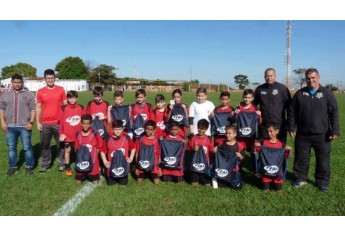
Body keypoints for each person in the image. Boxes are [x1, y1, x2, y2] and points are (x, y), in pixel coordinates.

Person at [288, 68, 339, 192]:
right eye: (308, 78)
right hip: (302, 134)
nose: (311, 80)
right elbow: (291, 111)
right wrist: (291, 126)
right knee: (301, 158)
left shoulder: (327, 94)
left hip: (322, 134)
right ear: (305, 79)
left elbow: (334, 113)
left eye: (313, 77)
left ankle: (322, 182)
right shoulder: (300, 93)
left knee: (323, 160)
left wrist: (335, 130)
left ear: (318, 77)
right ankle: (300, 178)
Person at [0, 74, 36, 175]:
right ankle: (13, 166)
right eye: (15, 82)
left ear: (22, 83)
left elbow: (33, 109)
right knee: (11, 147)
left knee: (27, 147)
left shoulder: (29, 94)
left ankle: (29, 166)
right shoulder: (5, 95)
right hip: (10, 126)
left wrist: (31, 122)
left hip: (25, 126)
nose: (17, 84)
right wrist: (2, 122)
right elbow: (1, 109)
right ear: (11, 83)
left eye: (19, 82)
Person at [36, 69, 67, 173]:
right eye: (48, 78)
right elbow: (38, 107)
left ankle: (61, 163)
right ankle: (45, 164)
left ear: (55, 78)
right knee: (45, 145)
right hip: (45, 123)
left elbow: (65, 106)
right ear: (45, 79)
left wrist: (65, 122)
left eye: (52, 78)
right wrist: (38, 122)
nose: (50, 80)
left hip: (58, 122)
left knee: (61, 144)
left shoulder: (61, 90)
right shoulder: (40, 92)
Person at [254, 68, 291, 143]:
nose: (269, 78)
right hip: (264, 124)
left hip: (279, 124)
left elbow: (290, 107)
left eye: (271, 75)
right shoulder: (260, 89)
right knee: (263, 145)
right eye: (267, 76)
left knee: (280, 146)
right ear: (264, 77)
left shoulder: (282, 88)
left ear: (275, 76)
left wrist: (290, 124)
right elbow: (253, 104)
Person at [254, 122, 291, 191]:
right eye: (267, 131)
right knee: (265, 189)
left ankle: (276, 182)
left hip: (277, 174)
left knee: (278, 190)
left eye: (271, 131)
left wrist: (289, 151)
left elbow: (288, 157)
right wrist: (256, 146)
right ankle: (266, 181)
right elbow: (255, 151)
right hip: (266, 172)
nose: (269, 133)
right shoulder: (264, 142)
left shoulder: (281, 145)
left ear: (277, 131)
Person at [100, 120, 135, 186]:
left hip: (123, 166)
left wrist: (131, 158)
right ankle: (108, 174)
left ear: (122, 129)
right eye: (116, 129)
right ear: (112, 129)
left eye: (119, 129)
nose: (118, 131)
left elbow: (133, 148)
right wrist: (105, 161)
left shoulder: (127, 138)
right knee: (111, 184)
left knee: (124, 184)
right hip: (112, 167)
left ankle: (123, 178)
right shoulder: (108, 139)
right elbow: (102, 151)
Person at [234, 89, 261, 173]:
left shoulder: (255, 108)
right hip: (241, 136)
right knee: (240, 152)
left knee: (253, 152)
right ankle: (239, 169)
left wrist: (259, 115)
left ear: (252, 98)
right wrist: (235, 113)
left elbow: (260, 122)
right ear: (243, 97)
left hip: (251, 136)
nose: (247, 99)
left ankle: (255, 169)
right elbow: (234, 119)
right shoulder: (239, 106)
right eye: (245, 97)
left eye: (249, 98)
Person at [58, 90, 85, 176]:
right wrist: (61, 133)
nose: (72, 100)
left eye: (73, 98)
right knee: (67, 150)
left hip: (78, 135)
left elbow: (84, 121)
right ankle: (67, 167)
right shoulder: (64, 108)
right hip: (67, 134)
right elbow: (61, 122)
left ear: (77, 98)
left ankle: (79, 165)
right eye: (70, 98)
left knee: (79, 150)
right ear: (67, 99)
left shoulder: (81, 107)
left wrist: (84, 132)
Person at [74, 114, 105, 184]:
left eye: (88, 124)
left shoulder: (95, 133)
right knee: (78, 182)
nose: (86, 125)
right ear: (81, 123)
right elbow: (76, 148)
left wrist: (94, 158)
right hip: (81, 161)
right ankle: (83, 174)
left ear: (91, 124)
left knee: (95, 182)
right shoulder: (78, 134)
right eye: (84, 123)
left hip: (92, 161)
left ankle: (96, 172)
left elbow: (99, 147)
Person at [215, 125, 245, 190]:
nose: (227, 135)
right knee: (220, 185)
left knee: (237, 187)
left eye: (229, 133)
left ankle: (240, 179)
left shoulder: (239, 146)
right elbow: (217, 153)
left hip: (234, 170)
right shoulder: (221, 143)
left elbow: (243, 158)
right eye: (226, 133)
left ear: (235, 134)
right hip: (224, 169)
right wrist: (214, 150)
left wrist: (240, 156)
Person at [188, 119, 214, 187]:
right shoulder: (193, 138)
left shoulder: (209, 139)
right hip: (195, 163)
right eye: (199, 128)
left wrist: (215, 150)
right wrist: (193, 148)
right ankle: (195, 177)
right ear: (197, 127)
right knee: (194, 184)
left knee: (207, 185)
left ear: (206, 129)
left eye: (203, 129)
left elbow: (211, 150)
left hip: (205, 164)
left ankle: (203, 178)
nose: (200, 130)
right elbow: (187, 149)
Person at [135, 120, 161, 184]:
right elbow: (137, 153)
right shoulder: (140, 139)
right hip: (142, 164)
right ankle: (145, 173)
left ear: (154, 130)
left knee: (157, 183)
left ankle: (150, 173)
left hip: (153, 165)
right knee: (139, 182)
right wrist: (137, 167)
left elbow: (158, 155)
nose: (148, 131)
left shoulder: (156, 140)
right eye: (147, 129)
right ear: (144, 128)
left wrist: (159, 168)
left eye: (151, 129)